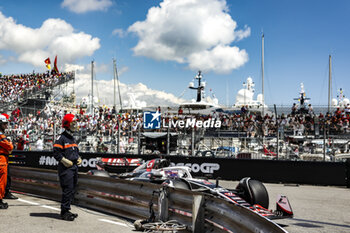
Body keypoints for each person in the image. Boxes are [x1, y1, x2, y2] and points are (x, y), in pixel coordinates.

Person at [53, 114, 82, 221]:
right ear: (67, 124)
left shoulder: (72, 138)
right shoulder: (62, 138)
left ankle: (67, 209)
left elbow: (74, 152)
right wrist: (64, 161)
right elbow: (56, 153)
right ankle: (64, 212)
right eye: (73, 123)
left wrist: (78, 158)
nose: (76, 125)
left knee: (72, 189)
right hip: (66, 169)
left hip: (73, 167)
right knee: (67, 189)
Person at [0, 113, 14, 209]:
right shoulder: (1, 136)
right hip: (1, 160)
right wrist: (10, 142)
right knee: (2, 181)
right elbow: (10, 147)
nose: (6, 125)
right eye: (4, 124)